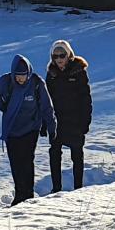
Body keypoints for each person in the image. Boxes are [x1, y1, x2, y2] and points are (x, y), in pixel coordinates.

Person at [0, 54, 56, 205]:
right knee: (15, 162)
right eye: (18, 76)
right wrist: (3, 105)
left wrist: (52, 128)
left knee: (27, 160)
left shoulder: (36, 83)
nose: (21, 79)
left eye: (24, 75)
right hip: (12, 129)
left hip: (31, 128)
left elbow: (47, 107)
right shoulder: (6, 81)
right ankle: (20, 193)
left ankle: (28, 193)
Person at [43, 40, 92, 191]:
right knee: (54, 153)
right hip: (57, 121)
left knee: (77, 155)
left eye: (62, 55)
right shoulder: (51, 74)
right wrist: (45, 123)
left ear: (69, 55)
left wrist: (85, 122)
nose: (59, 59)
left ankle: (78, 188)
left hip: (75, 121)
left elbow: (86, 99)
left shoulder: (78, 72)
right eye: (55, 55)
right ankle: (56, 188)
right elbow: (46, 100)